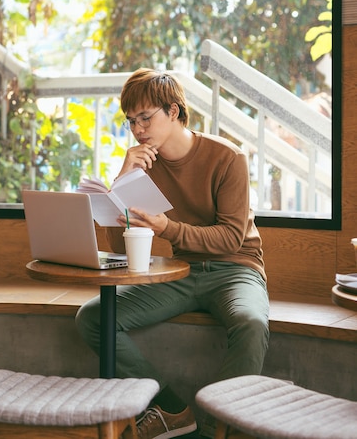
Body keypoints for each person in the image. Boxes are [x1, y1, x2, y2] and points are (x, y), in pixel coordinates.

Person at [76, 68, 269, 439]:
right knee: (93, 318)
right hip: (179, 271)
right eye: (131, 121)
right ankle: (169, 407)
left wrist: (167, 229)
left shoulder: (228, 158)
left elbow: (230, 238)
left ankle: (219, 429)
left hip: (236, 268)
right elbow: (120, 250)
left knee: (251, 322)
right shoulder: (143, 167)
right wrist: (122, 180)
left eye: (146, 117)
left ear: (175, 112)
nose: (138, 129)